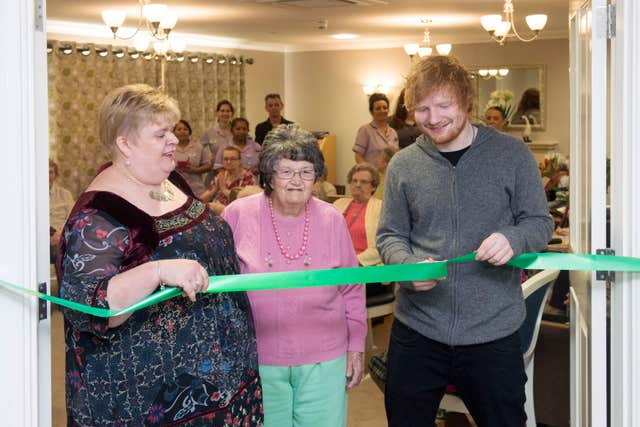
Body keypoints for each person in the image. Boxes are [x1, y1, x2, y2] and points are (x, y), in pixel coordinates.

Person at [57, 84, 262, 426]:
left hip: (223, 385)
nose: (174, 141)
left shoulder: (170, 180)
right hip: (152, 406)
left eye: (172, 130)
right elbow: (93, 309)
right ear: (125, 143)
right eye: (161, 133)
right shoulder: (96, 216)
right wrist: (156, 272)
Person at [376, 56, 554, 427]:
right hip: (417, 330)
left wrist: (514, 238)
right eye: (422, 108)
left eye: (444, 105)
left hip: (493, 331)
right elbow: (390, 235)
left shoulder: (512, 155)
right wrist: (406, 267)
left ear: (467, 102)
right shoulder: (403, 165)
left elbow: (539, 222)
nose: (433, 117)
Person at [222, 124, 366, 427]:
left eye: (306, 171)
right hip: (258, 355)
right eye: (286, 171)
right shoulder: (237, 214)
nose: (297, 181)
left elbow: (351, 287)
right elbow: (219, 289)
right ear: (269, 175)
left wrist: (356, 344)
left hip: (324, 355)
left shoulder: (331, 219)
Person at [333, 163, 382, 267]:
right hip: (335, 263)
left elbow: (383, 245)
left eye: (364, 182)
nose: (358, 185)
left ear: (373, 187)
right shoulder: (338, 204)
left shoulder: (380, 208)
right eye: (354, 181)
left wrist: (352, 261)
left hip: (364, 266)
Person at [200, 146, 256, 213]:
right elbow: (201, 200)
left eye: (232, 159)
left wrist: (224, 190)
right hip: (217, 214)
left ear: (240, 161)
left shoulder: (248, 177)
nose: (229, 162)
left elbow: (245, 202)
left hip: (236, 214)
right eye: (226, 159)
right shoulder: (221, 175)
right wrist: (215, 189)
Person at [353, 93, 399, 167]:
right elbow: (358, 156)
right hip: (373, 176)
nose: (382, 111)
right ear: (371, 112)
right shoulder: (365, 130)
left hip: (390, 175)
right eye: (378, 108)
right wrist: (369, 172)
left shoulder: (393, 132)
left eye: (385, 107)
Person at [200, 99, 235, 185]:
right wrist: (208, 160)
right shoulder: (209, 131)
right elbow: (199, 148)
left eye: (228, 111)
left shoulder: (236, 130)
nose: (225, 113)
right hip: (215, 173)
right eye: (222, 111)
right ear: (217, 113)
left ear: (232, 113)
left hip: (234, 172)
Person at [173, 119, 211, 194]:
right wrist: (173, 168)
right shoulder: (169, 147)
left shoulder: (198, 147)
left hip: (196, 189)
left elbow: (208, 166)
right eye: (179, 129)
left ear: (189, 132)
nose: (182, 131)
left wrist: (195, 170)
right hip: (175, 188)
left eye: (185, 129)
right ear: (173, 132)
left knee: (197, 206)